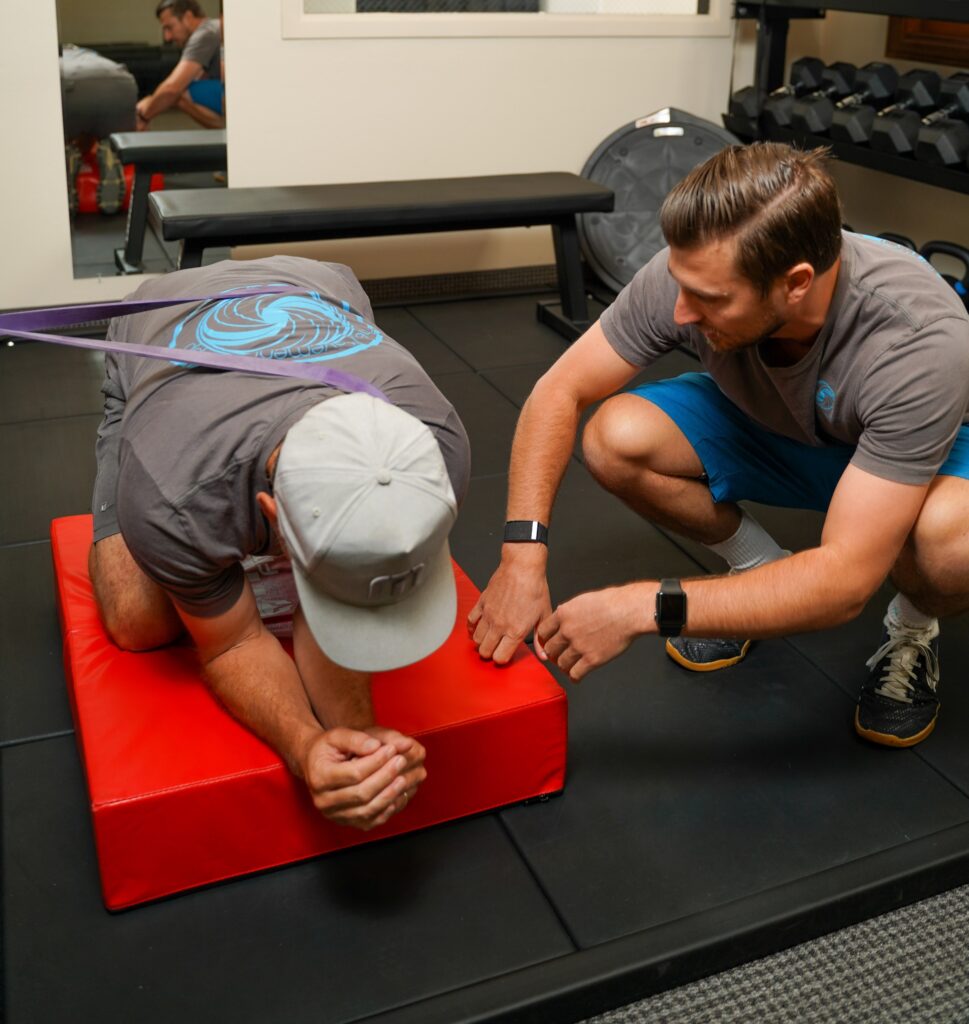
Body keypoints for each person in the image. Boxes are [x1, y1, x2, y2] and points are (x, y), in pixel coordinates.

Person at [468, 142, 969, 749]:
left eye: (709, 300)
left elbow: (844, 584)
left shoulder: (917, 342)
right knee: (615, 438)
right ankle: (762, 572)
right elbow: (559, 391)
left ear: (796, 283)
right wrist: (522, 559)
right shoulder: (698, 268)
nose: (680, 312)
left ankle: (913, 631)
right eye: (682, 285)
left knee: (947, 544)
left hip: (917, 459)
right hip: (788, 423)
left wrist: (645, 607)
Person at [90, 255, 470, 830]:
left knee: (338, 567)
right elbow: (233, 642)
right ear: (269, 511)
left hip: (315, 285)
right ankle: (126, 406)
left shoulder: (435, 445)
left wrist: (362, 745)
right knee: (138, 622)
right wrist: (304, 745)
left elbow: (342, 595)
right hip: (160, 316)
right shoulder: (172, 490)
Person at [136, 0, 224, 131]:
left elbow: (173, 87)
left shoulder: (204, 34)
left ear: (188, 17)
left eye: (169, 27)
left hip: (242, 95)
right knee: (182, 88)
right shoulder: (212, 27)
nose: (167, 37)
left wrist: (143, 117)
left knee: (178, 93)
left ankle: (227, 129)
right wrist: (151, 100)